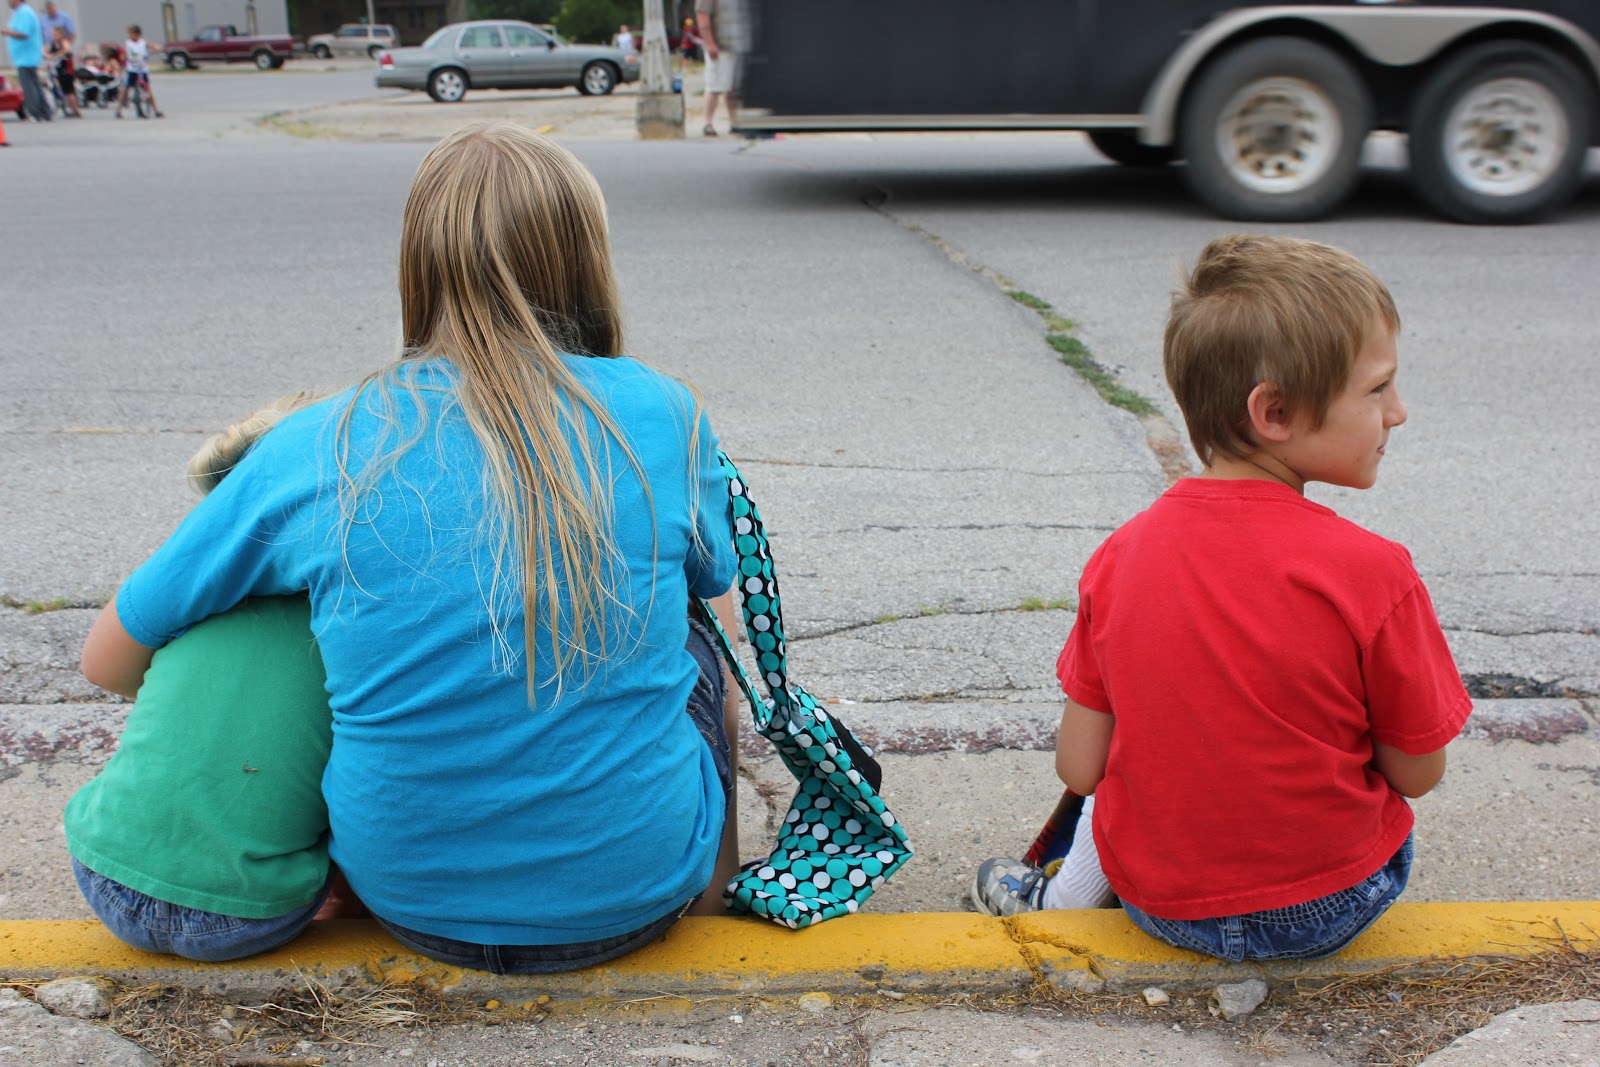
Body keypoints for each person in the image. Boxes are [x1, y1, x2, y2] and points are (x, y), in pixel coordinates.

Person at [79, 122, 743, 973]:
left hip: (409, 904)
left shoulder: (322, 441)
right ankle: (718, 888)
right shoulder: (665, 412)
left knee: (325, 613)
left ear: (418, 269)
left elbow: (107, 660)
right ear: (588, 262)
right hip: (639, 894)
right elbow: (721, 606)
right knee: (697, 637)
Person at [971, 235, 1473, 962]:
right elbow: (1418, 775)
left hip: (1163, 909)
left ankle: (1056, 898)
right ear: (1273, 413)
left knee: (1132, 763)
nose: (1399, 411)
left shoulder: (1120, 557)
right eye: (1376, 389)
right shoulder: (1375, 571)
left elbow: (1080, 769)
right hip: (1332, 906)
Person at [68, 394, 336, 961]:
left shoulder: (189, 601)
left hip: (101, 872)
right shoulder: (344, 617)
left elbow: (109, 671)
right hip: (249, 917)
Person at [694, 0, 745, 136]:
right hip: (719, 47)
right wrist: (710, 43)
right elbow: (702, 15)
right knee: (714, 87)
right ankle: (708, 123)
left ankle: (734, 123)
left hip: (738, 45)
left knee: (734, 89)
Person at [3, 0, 49, 122]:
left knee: (29, 86)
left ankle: (36, 112)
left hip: (27, 56)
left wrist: (4, 31)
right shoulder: (20, 12)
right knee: (33, 84)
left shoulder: (25, 12)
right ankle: (44, 111)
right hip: (24, 57)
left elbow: (23, 33)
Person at [114, 23, 161, 118]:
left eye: (132, 34)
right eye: (130, 34)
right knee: (126, 89)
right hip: (132, 69)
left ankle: (156, 111)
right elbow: (125, 53)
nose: (131, 36)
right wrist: (123, 57)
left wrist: (156, 49)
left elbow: (154, 47)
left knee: (147, 90)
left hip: (142, 69)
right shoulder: (128, 43)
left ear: (138, 34)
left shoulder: (143, 42)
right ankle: (119, 110)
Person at [45, 24, 77, 116]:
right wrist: (47, 55)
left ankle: (76, 111)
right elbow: (44, 50)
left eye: (55, 34)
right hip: (57, 70)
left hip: (66, 70)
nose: (53, 36)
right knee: (62, 89)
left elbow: (66, 50)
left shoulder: (64, 42)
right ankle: (64, 106)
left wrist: (55, 55)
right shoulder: (52, 44)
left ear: (60, 35)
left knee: (69, 92)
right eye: (53, 34)